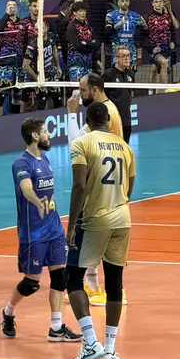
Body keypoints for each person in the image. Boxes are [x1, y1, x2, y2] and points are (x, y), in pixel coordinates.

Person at [66, 101, 136, 359]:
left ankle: (89, 342)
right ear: (108, 120)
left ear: (87, 121)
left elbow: (79, 185)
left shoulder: (82, 143)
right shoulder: (125, 147)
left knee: (72, 279)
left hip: (94, 219)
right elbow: (129, 188)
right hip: (123, 219)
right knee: (115, 282)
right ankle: (109, 352)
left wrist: (72, 224)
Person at [1, 118, 82, 342]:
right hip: (33, 232)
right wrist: (36, 201)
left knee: (60, 276)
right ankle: (8, 311)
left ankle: (56, 327)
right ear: (35, 136)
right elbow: (26, 187)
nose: (48, 135)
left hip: (53, 228)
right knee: (32, 283)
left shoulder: (45, 160)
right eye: (45, 131)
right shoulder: (21, 163)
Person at [66, 73, 125, 307]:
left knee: (90, 237)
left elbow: (76, 143)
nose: (80, 94)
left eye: (82, 90)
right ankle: (96, 285)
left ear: (95, 90)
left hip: (99, 187)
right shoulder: (105, 110)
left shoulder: (104, 113)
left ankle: (102, 288)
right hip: (111, 186)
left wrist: (71, 114)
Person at [104, 0, 145, 70]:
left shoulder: (135, 15)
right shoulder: (111, 15)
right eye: (122, 1)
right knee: (117, 72)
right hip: (117, 49)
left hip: (131, 50)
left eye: (126, 1)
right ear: (118, 3)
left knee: (131, 73)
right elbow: (107, 32)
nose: (125, 3)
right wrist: (117, 26)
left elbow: (145, 30)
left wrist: (144, 25)